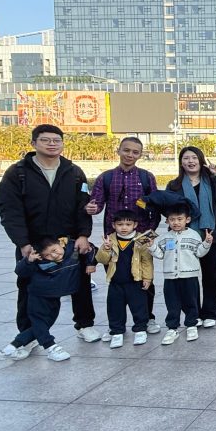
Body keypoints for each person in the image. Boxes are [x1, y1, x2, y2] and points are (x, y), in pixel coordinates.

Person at [0, 124, 98, 343]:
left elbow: (83, 205)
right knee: (29, 287)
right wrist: (22, 242)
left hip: (69, 241)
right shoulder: (18, 173)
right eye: (45, 140)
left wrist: (83, 235)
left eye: (56, 140)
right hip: (35, 243)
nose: (52, 144)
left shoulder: (74, 172)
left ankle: (85, 324)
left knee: (80, 283)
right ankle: (28, 334)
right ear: (34, 143)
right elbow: (10, 210)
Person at [85, 136, 161, 333]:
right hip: (113, 239)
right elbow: (97, 203)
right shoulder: (106, 177)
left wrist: (148, 235)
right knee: (116, 280)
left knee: (144, 278)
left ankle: (147, 318)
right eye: (126, 150)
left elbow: (155, 207)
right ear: (118, 150)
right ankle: (117, 325)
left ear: (140, 155)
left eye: (135, 152)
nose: (130, 155)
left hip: (140, 238)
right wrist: (92, 208)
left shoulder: (146, 177)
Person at [0, 236, 97, 362]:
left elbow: (92, 249)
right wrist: (28, 261)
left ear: (61, 243)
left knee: (45, 323)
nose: (54, 255)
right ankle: (51, 346)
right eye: (48, 255)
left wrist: (91, 263)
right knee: (40, 322)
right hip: (38, 296)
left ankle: (13, 346)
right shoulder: (38, 260)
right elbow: (20, 272)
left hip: (53, 295)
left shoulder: (72, 250)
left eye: (55, 250)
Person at [166, 146, 216, 329]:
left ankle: (209, 313)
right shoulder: (174, 185)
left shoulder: (211, 180)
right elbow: (169, 209)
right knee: (188, 278)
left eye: (194, 157)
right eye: (186, 158)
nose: (191, 161)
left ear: (201, 161)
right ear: (181, 162)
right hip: (185, 237)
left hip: (211, 234)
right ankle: (193, 314)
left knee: (211, 275)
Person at [151, 204, 212, 345]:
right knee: (172, 303)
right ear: (167, 221)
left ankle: (191, 325)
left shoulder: (193, 235)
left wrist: (206, 243)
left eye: (179, 219)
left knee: (191, 302)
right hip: (170, 278)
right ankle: (172, 328)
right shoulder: (164, 237)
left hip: (189, 277)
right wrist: (152, 246)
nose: (176, 223)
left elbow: (199, 253)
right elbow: (160, 254)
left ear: (187, 219)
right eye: (172, 220)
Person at [94, 209, 154, 348]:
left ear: (135, 225)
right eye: (120, 224)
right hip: (116, 282)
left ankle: (140, 329)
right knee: (115, 308)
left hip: (135, 281)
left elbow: (147, 261)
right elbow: (101, 259)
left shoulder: (141, 239)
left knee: (139, 306)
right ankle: (117, 331)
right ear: (114, 225)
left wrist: (147, 278)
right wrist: (106, 249)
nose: (124, 228)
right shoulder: (110, 239)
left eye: (128, 224)